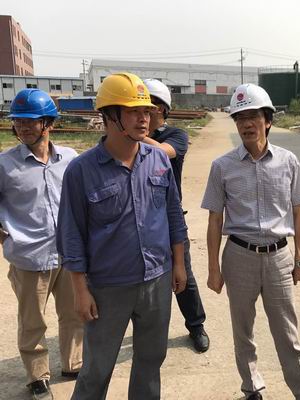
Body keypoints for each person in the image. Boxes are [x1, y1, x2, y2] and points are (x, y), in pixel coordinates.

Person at [57, 72, 188, 399]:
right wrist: (80, 291)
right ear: (109, 115)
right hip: (107, 287)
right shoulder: (81, 171)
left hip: (157, 280)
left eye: (146, 112)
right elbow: (71, 235)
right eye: (133, 111)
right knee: (97, 368)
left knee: (150, 361)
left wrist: (179, 263)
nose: (144, 119)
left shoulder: (158, 159)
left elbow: (173, 214)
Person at [202, 83, 300, 400]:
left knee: (287, 332)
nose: (246, 124)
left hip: (279, 257)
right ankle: (252, 388)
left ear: (267, 120)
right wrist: (213, 268)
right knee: (243, 330)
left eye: (253, 116)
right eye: (240, 118)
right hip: (239, 256)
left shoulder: (288, 161)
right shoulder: (222, 167)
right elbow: (214, 220)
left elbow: (298, 212)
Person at [0, 89, 83, 400]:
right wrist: (6, 235)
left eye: (30, 121)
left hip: (68, 254)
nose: (22, 127)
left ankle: (74, 364)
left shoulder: (70, 159)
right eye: (18, 122)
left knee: (74, 313)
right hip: (29, 257)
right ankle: (37, 376)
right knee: (33, 322)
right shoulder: (5, 165)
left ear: (48, 123)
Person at [142, 78, 209, 353]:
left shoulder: (175, 136)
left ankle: (196, 325)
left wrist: (132, 133)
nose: (141, 113)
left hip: (170, 217)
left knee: (184, 276)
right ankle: (145, 330)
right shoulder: (129, 139)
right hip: (139, 217)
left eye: (147, 106)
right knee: (142, 278)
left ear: (161, 108)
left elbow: (163, 152)